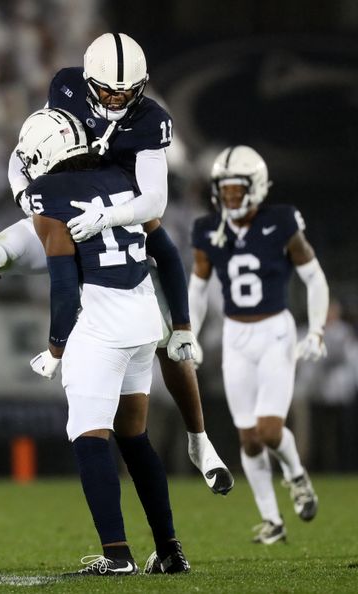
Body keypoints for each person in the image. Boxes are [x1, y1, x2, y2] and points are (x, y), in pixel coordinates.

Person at [0, 32, 232, 494]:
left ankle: (200, 440)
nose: (116, 99)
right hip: (65, 214)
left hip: (120, 217)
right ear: (88, 80)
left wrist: (108, 215)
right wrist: (30, 200)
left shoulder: (151, 120)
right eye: (107, 90)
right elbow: (23, 155)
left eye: (126, 91)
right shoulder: (67, 89)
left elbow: (154, 200)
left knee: (160, 328)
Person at [21, 108, 189, 575]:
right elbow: (168, 256)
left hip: (102, 324)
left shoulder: (47, 193)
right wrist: (182, 322)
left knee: (89, 436)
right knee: (135, 438)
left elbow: (61, 284)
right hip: (143, 320)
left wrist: (56, 347)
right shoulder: (121, 174)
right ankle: (170, 549)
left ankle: (117, 555)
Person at [188, 145, 327, 544]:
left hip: (274, 333)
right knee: (248, 438)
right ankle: (272, 520)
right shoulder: (207, 230)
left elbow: (314, 277)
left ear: (257, 187)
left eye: (237, 189)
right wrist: (190, 333)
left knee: (269, 430)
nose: (230, 197)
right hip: (236, 335)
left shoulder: (281, 222)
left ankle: (297, 476)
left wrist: (315, 330)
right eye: (225, 190)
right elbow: (198, 288)